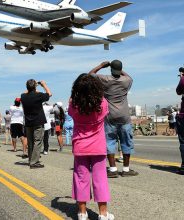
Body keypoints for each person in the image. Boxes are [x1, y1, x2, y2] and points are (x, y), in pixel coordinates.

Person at [69, 74, 114, 220]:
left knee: (81, 178)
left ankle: (82, 213)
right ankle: (103, 213)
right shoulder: (102, 103)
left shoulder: (73, 104)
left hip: (80, 146)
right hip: (98, 146)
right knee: (100, 178)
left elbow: (71, 108)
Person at [89, 60, 138, 178]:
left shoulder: (105, 79)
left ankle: (112, 169)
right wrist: (119, 69)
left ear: (111, 70)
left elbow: (89, 75)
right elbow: (128, 76)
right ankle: (126, 170)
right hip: (124, 116)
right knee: (126, 142)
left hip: (110, 116)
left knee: (110, 142)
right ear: (120, 70)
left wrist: (101, 65)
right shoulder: (127, 81)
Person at [20, 79, 52, 169]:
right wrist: (44, 85)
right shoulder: (39, 95)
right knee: (37, 141)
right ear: (34, 87)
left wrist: (32, 87)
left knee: (30, 142)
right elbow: (49, 94)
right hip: (38, 121)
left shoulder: (23, 96)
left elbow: (26, 92)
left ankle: (31, 160)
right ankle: (34, 162)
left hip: (28, 122)